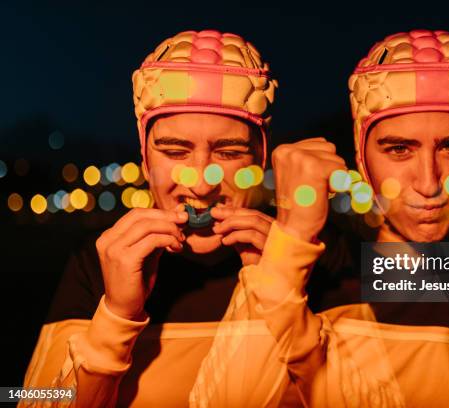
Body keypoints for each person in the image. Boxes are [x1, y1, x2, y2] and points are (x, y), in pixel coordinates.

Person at [233, 29, 449, 407]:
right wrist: (291, 239)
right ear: (363, 158)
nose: (429, 182)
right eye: (399, 149)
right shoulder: (315, 275)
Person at [20, 29, 282, 407]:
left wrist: (286, 293)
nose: (201, 182)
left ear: (259, 157)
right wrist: (115, 318)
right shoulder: (99, 262)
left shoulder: (318, 253)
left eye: (228, 153)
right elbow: (28, 398)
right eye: (175, 151)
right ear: (145, 158)